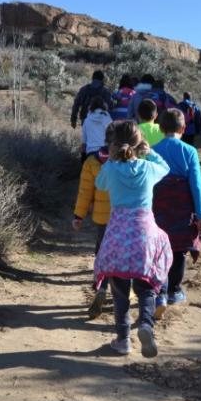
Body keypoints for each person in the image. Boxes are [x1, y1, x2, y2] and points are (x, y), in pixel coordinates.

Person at [94, 121, 172, 357]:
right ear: (139, 143)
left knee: (120, 291)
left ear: (114, 144)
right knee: (146, 287)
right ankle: (146, 325)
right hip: (144, 235)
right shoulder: (148, 168)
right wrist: (150, 152)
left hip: (118, 235)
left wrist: (111, 159)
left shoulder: (111, 169)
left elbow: (99, 184)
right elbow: (166, 168)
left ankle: (123, 340)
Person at [152, 109, 201, 317]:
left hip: (158, 207)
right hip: (182, 209)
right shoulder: (190, 151)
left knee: (158, 250)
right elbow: (197, 185)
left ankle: (159, 291)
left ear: (160, 128)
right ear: (184, 128)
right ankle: (174, 291)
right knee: (178, 250)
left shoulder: (153, 150)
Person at [73, 122, 117, 319]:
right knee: (122, 254)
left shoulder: (92, 161)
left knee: (102, 252)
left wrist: (78, 215)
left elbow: (85, 192)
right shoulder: (130, 160)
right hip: (127, 218)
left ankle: (102, 286)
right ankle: (121, 292)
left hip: (102, 218)